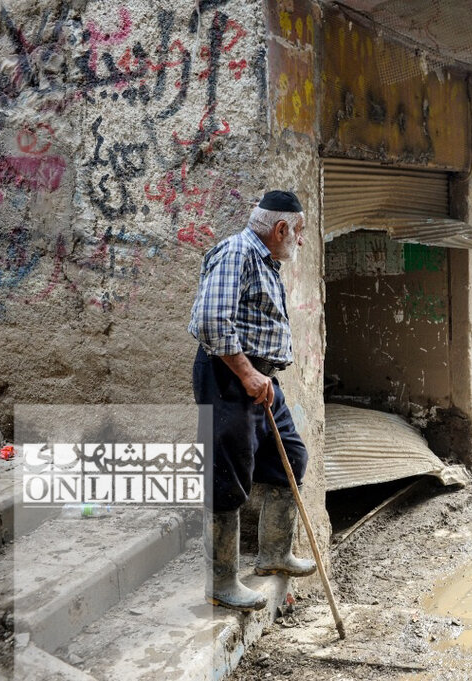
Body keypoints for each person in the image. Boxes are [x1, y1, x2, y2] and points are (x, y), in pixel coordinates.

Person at [188, 190, 316, 611]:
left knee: (290, 457)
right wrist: (246, 373)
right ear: (280, 228)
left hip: (260, 378)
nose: (300, 241)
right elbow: (209, 321)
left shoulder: (264, 260)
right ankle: (220, 582)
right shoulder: (237, 252)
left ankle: (274, 555)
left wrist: (260, 376)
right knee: (227, 478)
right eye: (298, 232)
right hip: (229, 377)